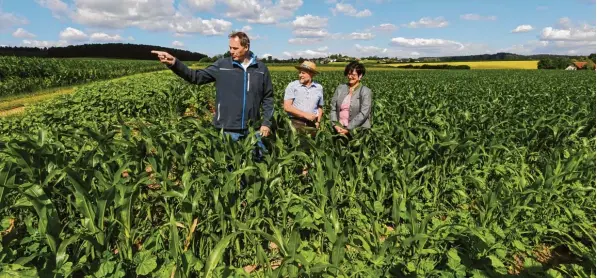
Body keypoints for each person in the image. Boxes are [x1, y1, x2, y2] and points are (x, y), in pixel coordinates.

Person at [151, 31, 274, 161]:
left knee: (257, 165)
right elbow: (195, 77)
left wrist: (266, 122)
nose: (231, 51)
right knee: (230, 168)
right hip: (227, 129)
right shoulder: (222, 65)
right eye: (230, 48)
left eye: (235, 48)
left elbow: (268, 97)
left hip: (253, 129)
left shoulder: (261, 69)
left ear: (246, 47)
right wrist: (174, 63)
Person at [329, 61, 372, 139]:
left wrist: (348, 128)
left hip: (358, 131)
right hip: (339, 129)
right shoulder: (340, 88)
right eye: (348, 74)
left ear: (360, 76)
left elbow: (364, 113)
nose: (350, 76)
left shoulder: (366, 91)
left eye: (353, 75)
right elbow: (333, 109)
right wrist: (335, 124)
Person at [283, 60, 324, 137]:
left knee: (311, 147)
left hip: (312, 125)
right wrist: (305, 115)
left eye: (303, 73)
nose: (300, 75)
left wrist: (318, 122)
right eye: (299, 72)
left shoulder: (319, 87)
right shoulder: (292, 86)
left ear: (311, 74)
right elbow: (287, 107)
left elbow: (320, 107)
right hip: (296, 124)